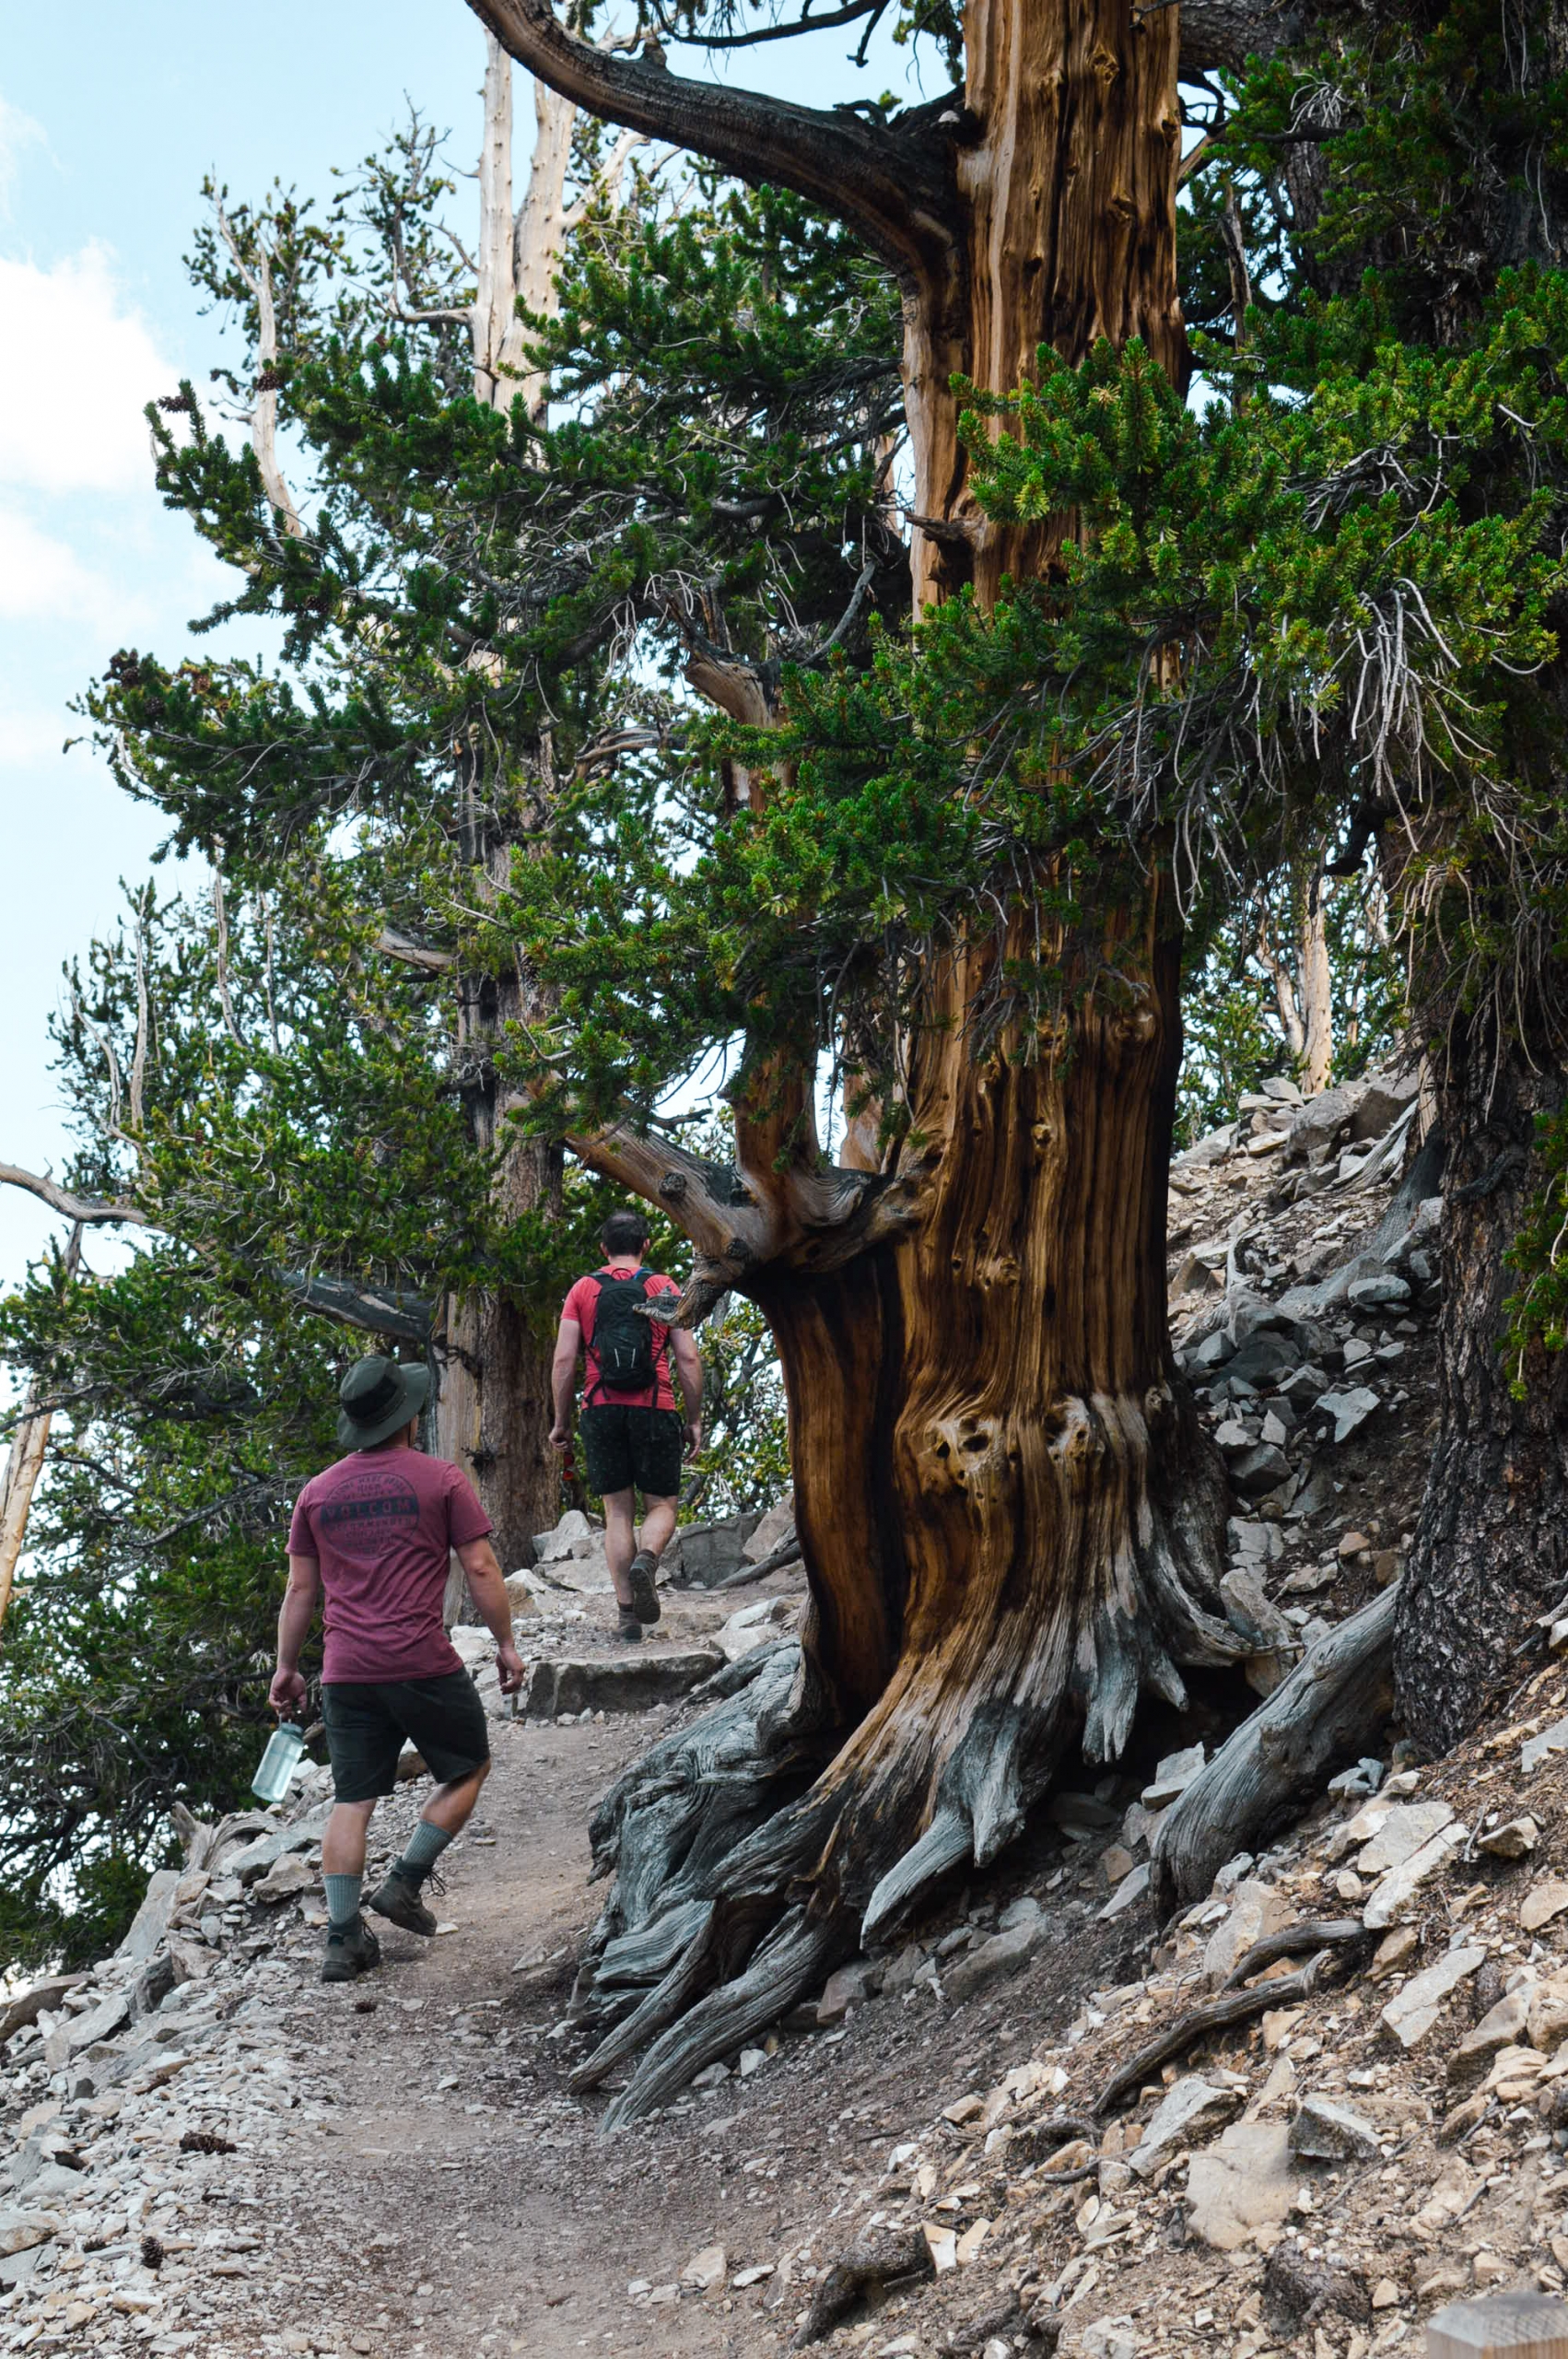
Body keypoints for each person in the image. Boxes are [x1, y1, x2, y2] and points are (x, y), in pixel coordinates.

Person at [271, 1354, 525, 1984]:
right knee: (469, 1765)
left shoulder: (317, 1493)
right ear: (409, 1417)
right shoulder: (440, 1480)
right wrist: (507, 1644)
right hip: (420, 1661)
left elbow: (301, 1591)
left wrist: (286, 1668)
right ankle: (404, 1883)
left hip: (346, 1669)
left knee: (352, 1800)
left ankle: (340, 1938)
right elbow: (483, 1569)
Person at [549, 1209, 703, 1643]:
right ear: (646, 1246)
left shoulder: (583, 1289)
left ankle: (627, 1617)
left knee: (617, 1511)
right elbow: (688, 1358)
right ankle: (648, 1559)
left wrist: (561, 1421)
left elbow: (564, 1360)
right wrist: (693, 1419)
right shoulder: (663, 1286)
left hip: (601, 1407)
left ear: (603, 1249)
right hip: (656, 1405)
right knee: (662, 1505)